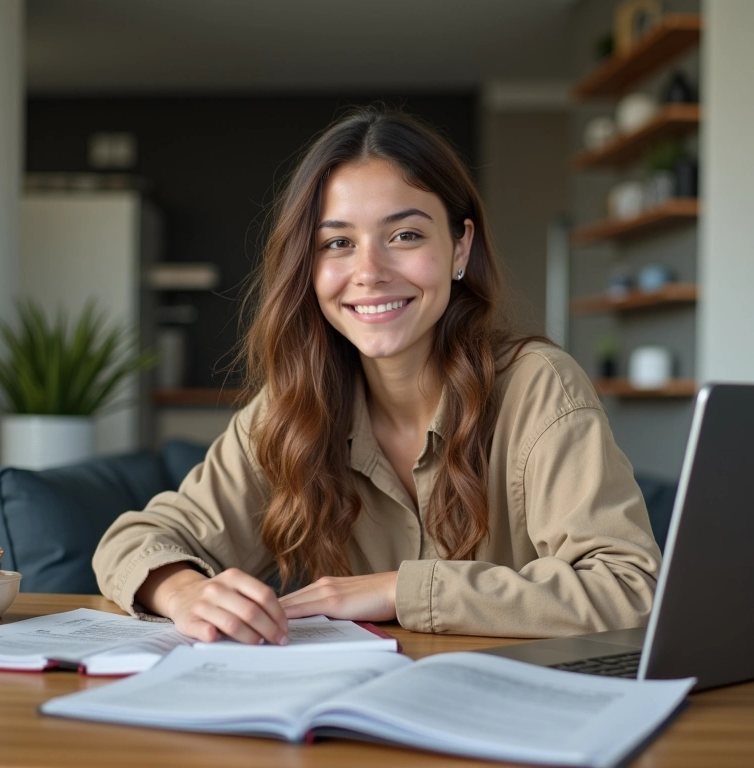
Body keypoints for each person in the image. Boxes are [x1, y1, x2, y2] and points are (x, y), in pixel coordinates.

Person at [93, 108, 661, 646]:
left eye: (405, 235)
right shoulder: (291, 410)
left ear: (460, 246)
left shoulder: (538, 386)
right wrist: (186, 591)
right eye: (338, 243)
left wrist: (397, 589)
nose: (369, 272)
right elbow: (132, 541)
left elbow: (630, 588)